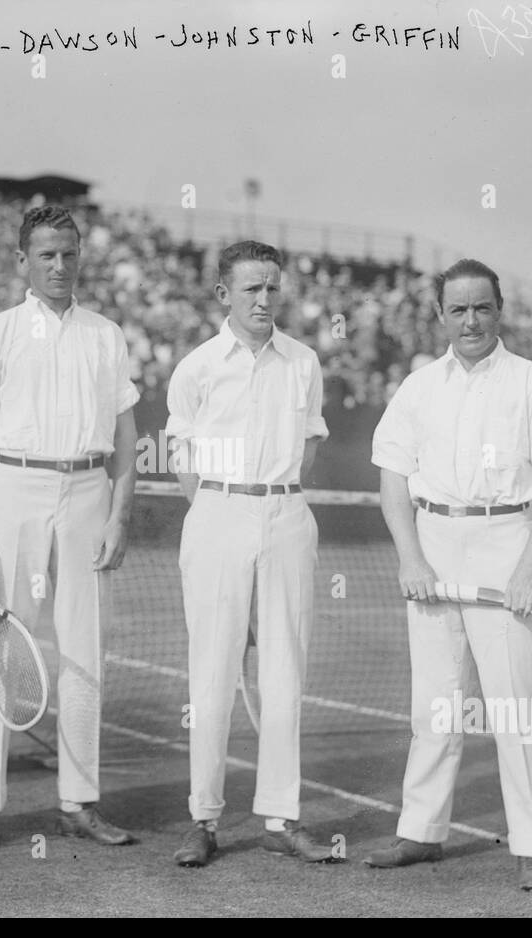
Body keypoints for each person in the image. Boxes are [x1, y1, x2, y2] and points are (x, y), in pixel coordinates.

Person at [366, 258, 532, 892]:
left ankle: (530, 848)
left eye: (482, 307)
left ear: (500, 309)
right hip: (433, 543)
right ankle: (421, 833)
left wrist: (528, 564)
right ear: (440, 316)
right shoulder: (418, 386)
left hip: (506, 541)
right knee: (436, 704)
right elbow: (393, 481)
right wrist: (411, 557)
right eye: (458, 309)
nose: (471, 320)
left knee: (514, 709)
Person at [0, 204, 138, 853]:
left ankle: (79, 802)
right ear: (22, 261)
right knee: (0, 648)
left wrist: (119, 512)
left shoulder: (106, 334)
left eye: (69, 253)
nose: (59, 265)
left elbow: (125, 434)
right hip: (16, 490)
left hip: (88, 490)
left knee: (85, 647)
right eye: (46, 254)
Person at [165, 240, 339, 867]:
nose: (264, 300)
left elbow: (311, 445)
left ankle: (281, 818)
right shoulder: (198, 366)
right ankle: (204, 819)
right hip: (217, 515)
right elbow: (183, 459)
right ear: (224, 296)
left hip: (287, 515)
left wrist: (276, 500)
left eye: (271, 288)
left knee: (284, 674)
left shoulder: (304, 362)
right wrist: (221, 509)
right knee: (211, 674)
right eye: (250, 290)